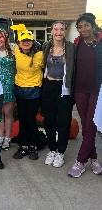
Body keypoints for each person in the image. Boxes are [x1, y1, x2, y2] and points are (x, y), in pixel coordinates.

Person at [68, 13, 102, 177]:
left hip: (97, 90)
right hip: (80, 91)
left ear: (93, 26)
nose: (83, 29)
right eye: (80, 27)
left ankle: (80, 162)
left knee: (91, 126)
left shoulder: (100, 43)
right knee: (86, 126)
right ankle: (94, 159)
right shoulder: (77, 43)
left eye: (86, 26)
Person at [42, 21, 75, 168]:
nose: (59, 32)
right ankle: (52, 149)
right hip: (48, 86)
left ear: (65, 31)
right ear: (51, 31)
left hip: (63, 87)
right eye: (56, 29)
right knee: (49, 120)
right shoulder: (45, 47)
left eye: (62, 29)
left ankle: (61, 152)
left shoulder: (71, 48)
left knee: (63, 121)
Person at [11, 25, 44, 160]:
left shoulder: (40, 54)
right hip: (20, 89)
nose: (26, 42)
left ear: (32, 41)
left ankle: (33, 146)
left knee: (31, 119)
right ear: (19, 42)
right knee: (23, 119)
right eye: (23, 40)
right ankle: (23, 146)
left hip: (34, 90)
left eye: (28, 40)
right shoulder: (16, 51)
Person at [0, 28, 16, 150]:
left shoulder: (13, 49)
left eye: (1, 37)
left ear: (5, 38)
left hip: (10, 84)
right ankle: (0, 137)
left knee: (8, 113)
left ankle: (7, 138)